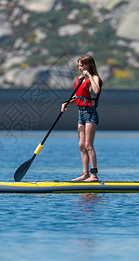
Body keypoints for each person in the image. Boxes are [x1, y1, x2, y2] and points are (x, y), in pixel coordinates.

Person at [61, 54, 103, 182]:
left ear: (87, 65)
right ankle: (85, 174)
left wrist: (89, 76)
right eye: (78, 65)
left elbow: (96, 91)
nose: (79, 68)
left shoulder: (94, 77)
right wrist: (67, 102)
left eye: (81, 65)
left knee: (88, 145)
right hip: (81, 113)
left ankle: (94, 175)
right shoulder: (80, 79)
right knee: (81, 145)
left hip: (91, 113)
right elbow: (79, 96)